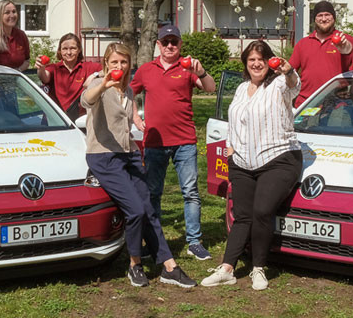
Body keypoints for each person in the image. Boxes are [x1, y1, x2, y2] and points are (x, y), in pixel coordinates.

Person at [81, 42, 196, 288]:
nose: (119, 67)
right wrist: (102, 84)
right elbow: (86, 100)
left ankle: (168, 265)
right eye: (114, 62)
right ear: (106, 64)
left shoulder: (129, 91)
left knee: (149, 208)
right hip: (104, 156)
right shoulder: (99, 84)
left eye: (124, 62)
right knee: (135, 210)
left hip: (129, 153)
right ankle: (134, 264)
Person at [201, 40, 302, 291]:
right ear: (246, 64)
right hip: (243, 161)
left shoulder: (279, 84)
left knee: (262, 211)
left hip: (278, 159)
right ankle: (227, 268)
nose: (256, 63)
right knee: (242, 215)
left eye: (261, 58)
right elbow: (235, 121)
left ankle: (258, 268)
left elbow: (294, 85)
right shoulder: (242, 87)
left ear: (270, 60)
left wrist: (288, 71)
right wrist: (232, 151)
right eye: (251, 60)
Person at [130, 24, 216, 261]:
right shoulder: (146, 70)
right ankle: (154, 241)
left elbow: (210, 88)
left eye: (174, 42)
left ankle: (194, 242)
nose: (170, 46)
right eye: (165, 42)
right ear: (158, 44)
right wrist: (135, 116)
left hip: (185, 141)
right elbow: (127, 93)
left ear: (180, 45)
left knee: (190, 193)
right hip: (155, 142)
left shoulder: (188, 68)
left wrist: (201, 72)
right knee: (154, 193)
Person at [289, 0, 353, 107]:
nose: (323, 19)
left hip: (337, 103)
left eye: (327, 15)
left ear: (334, 18)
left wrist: (345, 48)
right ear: (315, 19)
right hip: (307, 101)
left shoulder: (344, 41)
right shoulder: (303, 43)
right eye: (320, 15)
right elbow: (290, 70)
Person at [36, 33, 101, 121]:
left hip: (78, 121)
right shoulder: (54, 68)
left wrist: (94, 75)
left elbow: (109, 69)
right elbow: (44, 77)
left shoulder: (88, 67)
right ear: (60, 51)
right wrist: (41, 68)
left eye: (73, 48)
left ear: (79, 50)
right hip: (56, 120)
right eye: (65, 49)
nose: (69, 52)